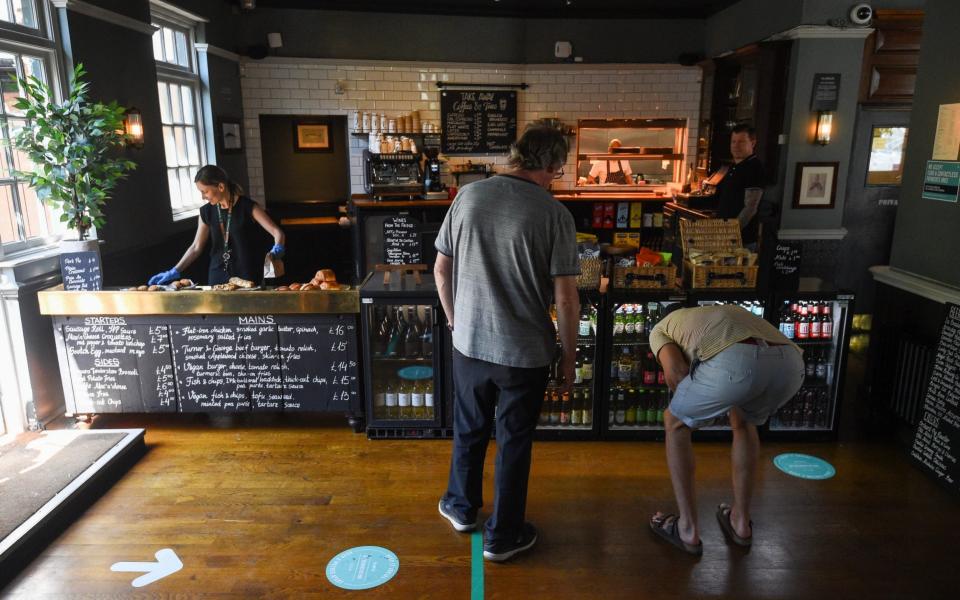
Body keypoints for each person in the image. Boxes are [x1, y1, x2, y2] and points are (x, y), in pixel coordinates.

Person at [434, 120, 580, 562]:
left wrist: (458, 322)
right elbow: (566, 299)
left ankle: (461, 508)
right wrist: (568, 358)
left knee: (470, 427)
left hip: (471, 345)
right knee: (514, 440)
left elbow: (441, 270)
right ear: (552, 165)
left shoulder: (469, 196)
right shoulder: (555, 214)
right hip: (524, 353)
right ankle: (503, 536)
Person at [647, 304, 803, 556]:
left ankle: (687, 528)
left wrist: (694, 409)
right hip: (791, 364)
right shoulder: (714, 313)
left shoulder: (661, 328)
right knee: (743, 423)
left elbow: (677, 373)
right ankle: (740, 522)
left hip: (738, 361)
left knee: (674, 423)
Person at [148, 165, 285, 286]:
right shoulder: (206, 211)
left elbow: (277, 232)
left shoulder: (248, 207)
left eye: (205, 191)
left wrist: (277, 247)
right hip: (217, 273)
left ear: (220, 186)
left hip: (247, 272)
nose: (203, 197)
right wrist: (175, 270)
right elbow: (196, 247)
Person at [712, 124, 765, 247]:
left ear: (752, 143)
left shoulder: (754, 168)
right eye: (733, 141)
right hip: (724, 236)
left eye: (741, 142)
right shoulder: (734, 167)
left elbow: (750, 208)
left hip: (740, 240)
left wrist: (731, 232)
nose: (735, 146)